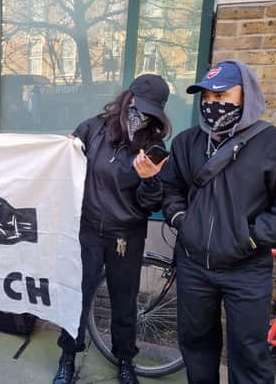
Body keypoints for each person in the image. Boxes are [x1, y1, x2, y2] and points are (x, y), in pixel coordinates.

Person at [161, 60, 276, 383]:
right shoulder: (186, 142)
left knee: (249, 355)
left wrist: (251, 238)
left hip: (247, 269)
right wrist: (180, 219)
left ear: (246, 95)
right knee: (196, 349)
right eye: (207, 98)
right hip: (193, 266)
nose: (213, 104)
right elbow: (170, 188)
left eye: (222, 95)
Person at [53, 74, 171, 384]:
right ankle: (68, 355)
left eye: (149, 112)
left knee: (124, 300)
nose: (140, 116)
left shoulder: (152, 145)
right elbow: (66, 166)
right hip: (88, 229)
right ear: (127, 99)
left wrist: (150, 179)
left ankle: (125, 360)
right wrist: (63, 151)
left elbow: (151, 204)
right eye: (137, 106)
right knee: (77, 296)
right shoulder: (93, 128)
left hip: (126, 236)